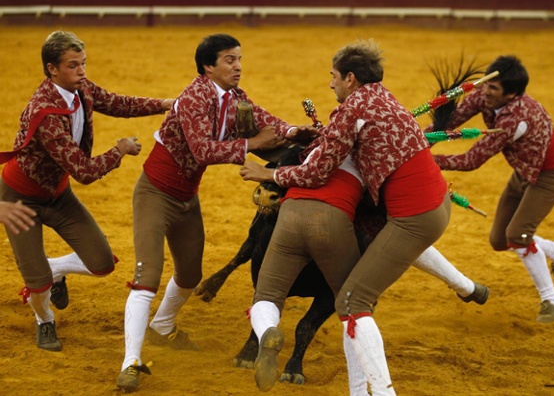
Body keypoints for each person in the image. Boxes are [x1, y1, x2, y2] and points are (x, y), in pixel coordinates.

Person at [240, 39, 475, 395]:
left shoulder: (351, 111)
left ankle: (381, 393)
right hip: (433, 201)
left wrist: (268, 174)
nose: (330, 83)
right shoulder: (383, 97)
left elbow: (316, 171)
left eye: (333, 76)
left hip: (413, 215)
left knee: (352, 301)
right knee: (351, 298)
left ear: (350, 78)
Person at [116, 33, 318, 393]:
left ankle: (162, 326)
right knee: (148, 274)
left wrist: (294, 132)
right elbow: (202, 150)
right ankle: (130, 361)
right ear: (208, 66)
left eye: (239, 59)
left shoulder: (234, 98)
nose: (238, 66)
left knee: (191, 274)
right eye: (229, 60)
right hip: (154, 193)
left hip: (186, 198)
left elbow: (262, 118)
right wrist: (255, 144)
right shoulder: (194, 96)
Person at [0, 30, 174, 353]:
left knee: (102, 262)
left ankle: (54, 270)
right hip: (19, 199)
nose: (82, 71)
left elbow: (116, 102)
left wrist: (162, 104)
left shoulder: (80, 88)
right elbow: (84, 171)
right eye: (72, 65)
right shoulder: (47, 113)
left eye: (83, 64)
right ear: (52, 69)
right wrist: (119, 150)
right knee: (36, 285)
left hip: (57, 194)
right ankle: (45, 320)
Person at [430, 55, 554, 323]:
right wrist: (420, 139)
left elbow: (471, 160)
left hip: (549, 175)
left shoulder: (515, 119)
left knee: (518, 236)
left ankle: (552, 302)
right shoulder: (487, 94)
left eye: (494, 89)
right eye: (487, 84)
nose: (485, 91)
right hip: (524, 171)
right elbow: (450, 122)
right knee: (500, 240)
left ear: (510, 94)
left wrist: (428, 160)